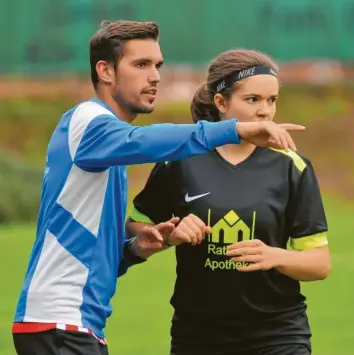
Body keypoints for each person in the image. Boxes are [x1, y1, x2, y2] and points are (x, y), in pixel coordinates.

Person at [11, 21, 305, 355]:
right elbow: (146, 141)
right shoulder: (87, 121)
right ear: (105, 71)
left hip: (71, 325)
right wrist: (233, 129)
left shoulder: (108, 148)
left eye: (158, 65)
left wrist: (135, 248)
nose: (155, 76)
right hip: (60, 322)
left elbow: (92, 252)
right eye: (141, 64)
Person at [126, 49, 330, 355]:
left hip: (278, 335)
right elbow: (133, 227)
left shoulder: (292, 166)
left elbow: (319, 263)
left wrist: (274, 256)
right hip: (198, 336)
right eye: (253, 100)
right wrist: (170, 233)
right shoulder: (180, 160)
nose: (265, 111)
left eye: (271, 100)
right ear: (221, 103)